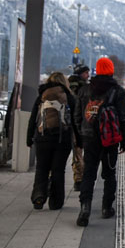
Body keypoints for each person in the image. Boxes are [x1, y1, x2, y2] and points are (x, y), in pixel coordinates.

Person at [76, 57, 125, 227]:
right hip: (110, 138)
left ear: (96, 70)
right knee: (109, 174)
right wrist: (124, 139)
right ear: (111, 71)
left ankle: (85, 208)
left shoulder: (85, 90)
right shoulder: (118, 91)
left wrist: (81, 135)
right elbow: (122, 117)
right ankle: (106, 207)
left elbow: (77, 116)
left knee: (89, 174)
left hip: (90, 138)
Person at [26, 72, 81, 210]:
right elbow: (75, 121)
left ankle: (38, 195)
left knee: (42, 168)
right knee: (58, 170)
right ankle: (55, 202)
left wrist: (29, 138)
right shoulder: (68, 97)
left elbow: (33, 118)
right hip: (62, 139)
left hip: (42, 138)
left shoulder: (42, 96)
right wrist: (79, 140)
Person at [67, 65, 90, 192]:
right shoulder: (84, 88)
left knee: (77, 154)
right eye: (86, 73)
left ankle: (78, 178)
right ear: (81, 74)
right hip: (80, 124)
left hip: (69, 123)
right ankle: (79, 179)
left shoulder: (67, 86)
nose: (88, 75)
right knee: (79, 153)